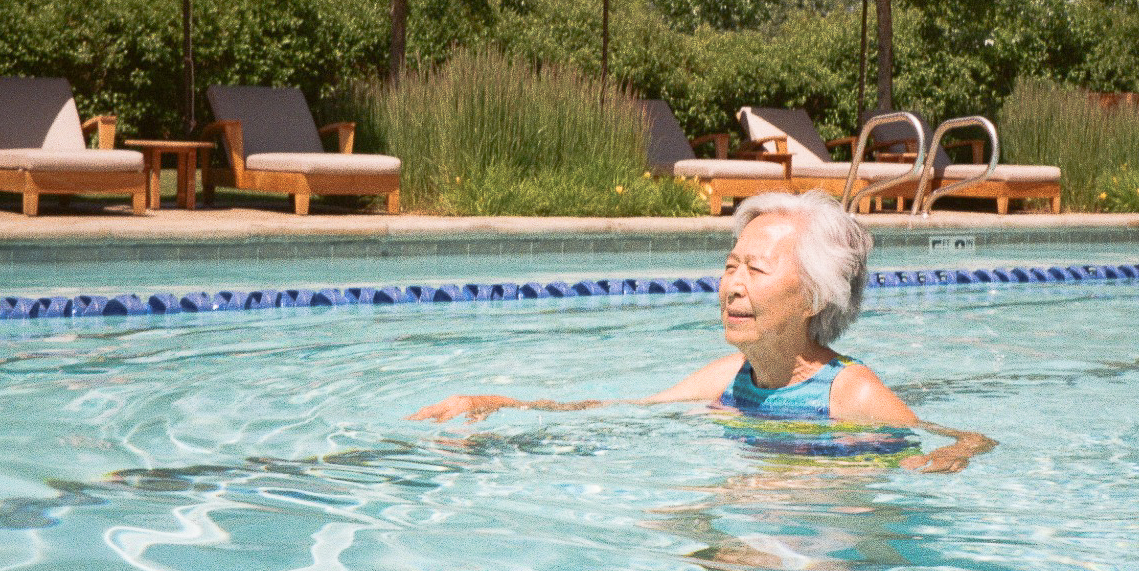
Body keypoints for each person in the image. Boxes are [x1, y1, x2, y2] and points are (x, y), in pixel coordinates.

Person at [408, 190, 995, 473]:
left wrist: (846, 477)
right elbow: (621, 412)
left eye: (756, 270)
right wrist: (505, 405)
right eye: (730, 266)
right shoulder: (728, 379)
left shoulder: (851, 393)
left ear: (815, 297)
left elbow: (967, 442)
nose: (733, 285)